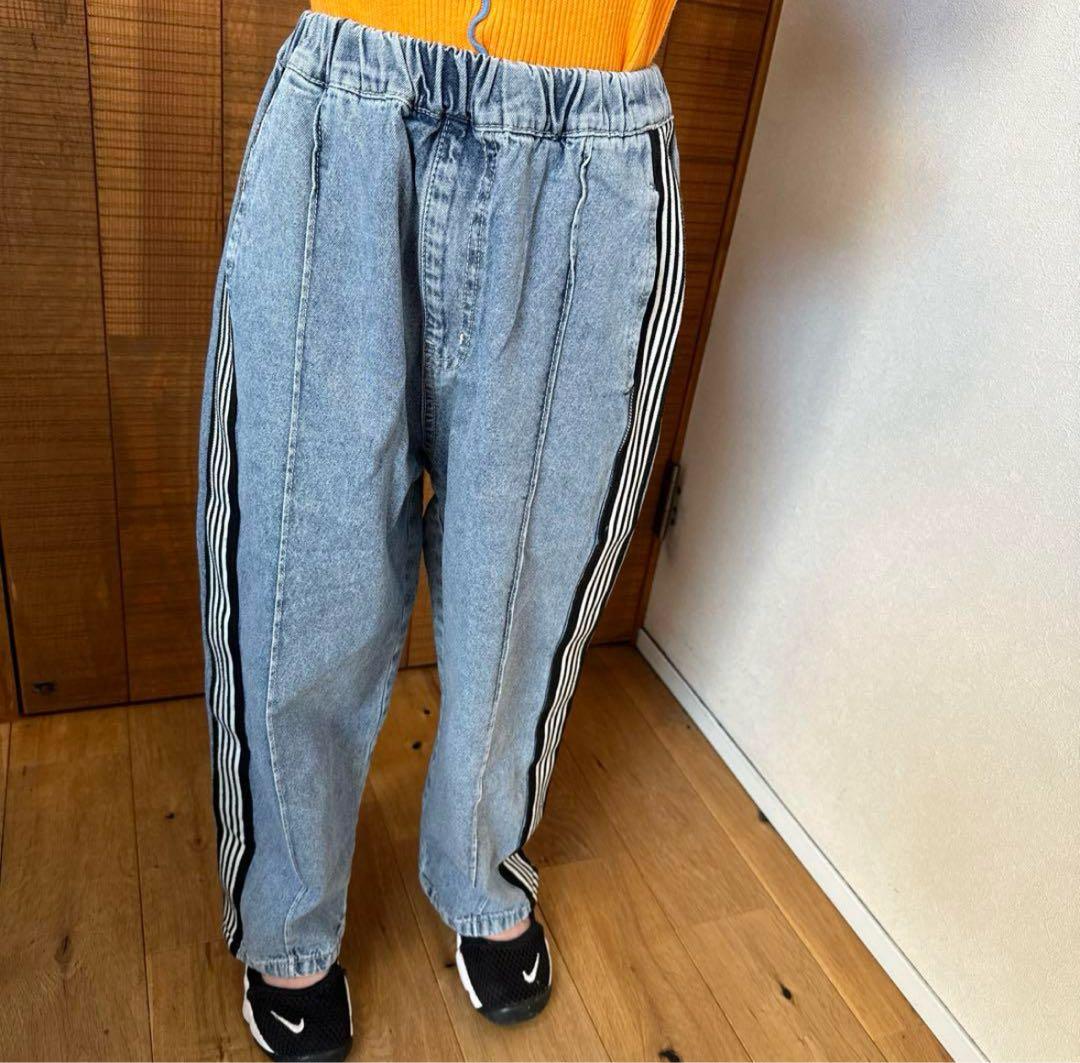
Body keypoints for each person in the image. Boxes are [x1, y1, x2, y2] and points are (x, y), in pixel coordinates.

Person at [196, 1, 684, 1058]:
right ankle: (288, 910)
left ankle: (479, 865)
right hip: (353, 103)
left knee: (527, 584)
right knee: (299, 567)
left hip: (592, 141)